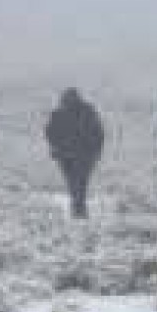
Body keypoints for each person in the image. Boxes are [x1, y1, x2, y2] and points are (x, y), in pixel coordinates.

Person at [43, 88, 106, 219]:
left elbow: (49, 132)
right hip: (79, 156)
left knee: (76, 183)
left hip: (75, 156)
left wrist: (56, 145)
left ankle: (78, 210)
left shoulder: (62, 113)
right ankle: (79, 210)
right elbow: (99, 133)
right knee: (78, 183)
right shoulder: (87, 112)